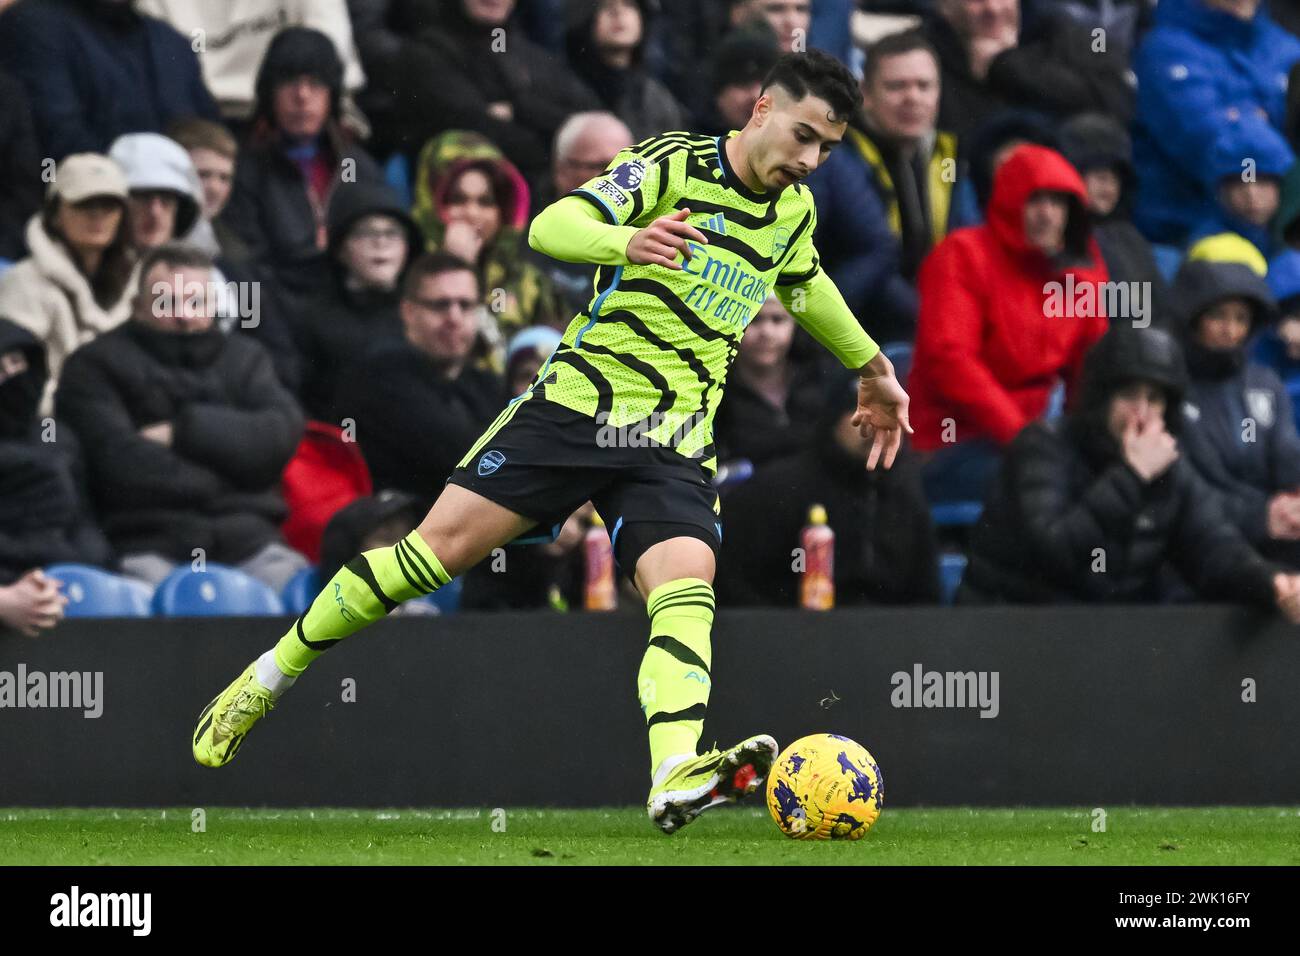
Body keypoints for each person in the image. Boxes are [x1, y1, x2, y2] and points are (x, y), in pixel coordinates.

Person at [191, 49, 912, 837]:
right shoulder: (670, 165)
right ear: (761, 111)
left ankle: (673, 771)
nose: (810, 161)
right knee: (428, 559)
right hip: (575, 409)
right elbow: (552, 223)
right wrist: (623, 242)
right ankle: (270, 674)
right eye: (804, 136)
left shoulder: (792, 215)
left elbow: (804, 286)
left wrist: (873, 367)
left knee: (686, 587)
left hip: (673, 437)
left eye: (828, 150)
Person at [958, 326, 1300, 617]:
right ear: (1101, 399)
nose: (1142, 412)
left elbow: (1213, 547)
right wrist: (1131, 476)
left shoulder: (1168, 466)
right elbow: (1054, 551)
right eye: (1129, 395)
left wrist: (1270, 582)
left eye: (1154, 399)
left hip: (1108, 643)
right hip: (1007, 631)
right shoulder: (1044, 447)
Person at [55, 243, 307, 591]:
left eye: (196, 302)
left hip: (253, 544)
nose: (184, 315)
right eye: (167, 302)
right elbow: (118, 465)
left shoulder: (247, 360)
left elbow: (280, 436)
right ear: (137, 307)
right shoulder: (93, 366)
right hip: (148, 546)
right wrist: (231, 470)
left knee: (322, 611)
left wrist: (184, 432)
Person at [908, 144, 1110, 503]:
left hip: (1039, 438)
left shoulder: (1081, 271)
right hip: (953, 443)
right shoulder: (963, 255)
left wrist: (1097, 438)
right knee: (1058, 489)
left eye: (1058, 203)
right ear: (1010, 202)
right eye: (1035, 201)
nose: (1047, 215)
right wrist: (1020, 434)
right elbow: (949, 359)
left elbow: (1093, 368)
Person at [717, 367, 940, 606]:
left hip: (889, 636)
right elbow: (737, 584)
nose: (873, 424)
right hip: (793, 634)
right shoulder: (779, 488)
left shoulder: (905, 489)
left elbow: (925, 592)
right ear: (833, 419)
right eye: (860, 412)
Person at [806, 29, 957, 343]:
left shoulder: (950, 156)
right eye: (896, 86)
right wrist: (933, 321)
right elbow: (870, 260)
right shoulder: (834, 157)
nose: (912, 97)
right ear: (865, 93)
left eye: (924, 86)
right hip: (853, 332)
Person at [219, 27, 383, 304]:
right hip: (276, 309)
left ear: (332, 95)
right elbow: (248, 267)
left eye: (316, 84)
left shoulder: (356, 165)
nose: (302, 96)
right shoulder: (245, 168)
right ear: (269, 93)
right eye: (289, 82)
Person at [334, 252, 503, 502]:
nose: (454, 318)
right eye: (440, 305)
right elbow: (461, 454)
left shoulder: (487, 384)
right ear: (408, 312)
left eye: (465, 305)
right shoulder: (380, 375)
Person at [1132, 0, 1300, 245]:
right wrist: (1264, 126)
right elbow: (1206, 139)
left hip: (1284, 230)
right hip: (1185, 231)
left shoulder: (1285, 46)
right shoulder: (1164, 48)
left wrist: (1242, 119)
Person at [1172, 259, 1300, 566]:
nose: (1230, 330)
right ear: (1194, 319)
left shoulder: (1265, 383)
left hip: (1274, 530)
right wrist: (1258, 516)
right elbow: (1184, 491)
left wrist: (1293, 500)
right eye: (1218, 317)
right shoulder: (1170, 389)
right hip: (1199, 545)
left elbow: (1287, 457)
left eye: (1241, 319)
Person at [390, 0, 601, 186]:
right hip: (471, 195)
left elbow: (595, 120)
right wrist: (557, 144)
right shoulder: (427, 53)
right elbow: (477, 130)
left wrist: (519, 110)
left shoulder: (530, 54)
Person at [0, 153, 136, 414]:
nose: (98, 216)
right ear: (55, 212)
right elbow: (16, 384)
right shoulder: (24, 282)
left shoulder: (138, 282)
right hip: (52, 422)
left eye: (109, 205)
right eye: (84, 204)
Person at [0, 0, 218, 160]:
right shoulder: (33, 25)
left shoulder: (172, 43)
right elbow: (60, 140)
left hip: (186, 207)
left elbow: (216, 143)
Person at [0, 317, 109, 635]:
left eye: (17, 362)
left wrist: (82, 571)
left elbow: (84, 521)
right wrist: (5, 600)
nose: (10, 376)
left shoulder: (57, 439)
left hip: (60, 579)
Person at [411, 131, 564, 342]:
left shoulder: (528, 283)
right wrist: (453, 267)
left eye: (486, 201)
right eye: (457, 200)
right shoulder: (406, 271)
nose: (472, 214)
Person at [920, 0, 1133, 140]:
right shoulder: (921, 54)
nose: (992, 9)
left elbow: (1114, 102)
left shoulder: (1061, 33)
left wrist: (1006, 65)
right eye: (975, 0)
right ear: (946, 8)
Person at [531, 112, 634, 314]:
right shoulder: (530, 243)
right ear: (562, 169)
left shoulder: (661, 236)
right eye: (602, 166)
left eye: (626, 167)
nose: (617, 179)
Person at [713, 295, 829, 468]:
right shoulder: (710, 391)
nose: (766, 332)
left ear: (795, 324)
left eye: (778, 319)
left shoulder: (821, 376)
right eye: (754, 319)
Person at [564, 0, 686, 142]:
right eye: (606, 6)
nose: (618, 13)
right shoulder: (566, 90)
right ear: (585, 18)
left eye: (629, 5)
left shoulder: (656, 98)